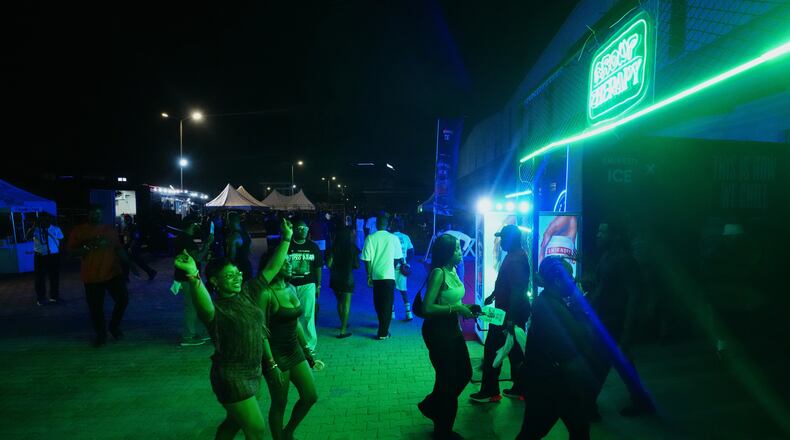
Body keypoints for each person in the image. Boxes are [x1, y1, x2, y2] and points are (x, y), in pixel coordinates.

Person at [174, 217, 292, 440]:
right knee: (256, 429)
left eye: (237, 273)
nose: (237, 277)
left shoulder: (247, 293)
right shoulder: (217, 310)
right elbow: (204, 304)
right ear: (215, 282)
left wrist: (286, 238)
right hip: (231, 377)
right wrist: (192, 275)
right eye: (229, 276)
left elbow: (272, 267)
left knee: (234, 422)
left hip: (252, 371)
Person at [517, 257, 596, 440]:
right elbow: (583, 340)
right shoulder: (548, 306)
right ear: (559, 281)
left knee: (580, 430)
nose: (575, 281)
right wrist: (580, 306)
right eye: (571, 277)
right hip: (549, 386)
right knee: (531, 433)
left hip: (561, 382)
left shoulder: (552, 301)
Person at [588, 221, 654, 418]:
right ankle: (642, 401)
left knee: (598, 365)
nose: (598, 234)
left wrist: (627, 332)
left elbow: (634, 297)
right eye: (598, 230)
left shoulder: (625, 260)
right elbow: (603, 287)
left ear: (615, 236)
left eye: (603, 231)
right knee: (618, 365)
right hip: (606, 322)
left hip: (614, 323)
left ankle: (589, 407)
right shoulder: (608, 256)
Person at [258, 239, 319, 440]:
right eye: (285, 263)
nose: (290, 265)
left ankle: (288, 433)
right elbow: (261, 332)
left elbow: (298, 323)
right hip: (275, 355)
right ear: (273, 266)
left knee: (310, 396)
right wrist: (271, 364)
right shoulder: (266, 293)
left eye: (289, 262)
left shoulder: (291, 288)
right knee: (280, 403)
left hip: (295, 350)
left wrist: (308, 350)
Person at [417, 234, 475, 439]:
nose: (461, 252)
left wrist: (465, 309)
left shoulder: (453, 270)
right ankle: (443, 430)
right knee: (447, 380)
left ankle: (433, 405)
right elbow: (427, 307)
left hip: (453, 329)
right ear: (447, 253)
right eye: (458, 249)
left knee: (465, 373)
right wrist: (456, 308)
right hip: (438, 332)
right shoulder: (438, 273)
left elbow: (453, 300)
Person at [470, 224, 532, 403]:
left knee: (491, 350)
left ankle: (490, 392)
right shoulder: (514, 256)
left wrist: (510, 320)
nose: (501, 241)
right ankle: (521, 389)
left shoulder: (516, 259)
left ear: (511, 239)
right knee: (514, 352)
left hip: (507, 315)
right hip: (509, 313)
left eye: (503, 237)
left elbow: (517, 291)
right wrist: (492, 295)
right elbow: (507, 284)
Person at [67, 204, 138, 347]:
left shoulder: (109, 230)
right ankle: (101, 334)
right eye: (94, 213)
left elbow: (118, 249)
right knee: (95, 308)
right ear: (88, 215)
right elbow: (71, 252)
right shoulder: (79, 231)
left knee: (123, 300)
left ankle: (113, 326)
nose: (97, 215)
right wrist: (89, 246)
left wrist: (130, 264)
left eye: (99, 213)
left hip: (113, 273)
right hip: (92, 276)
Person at [361, 213, 403, 340]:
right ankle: (383, 332)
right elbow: (397, 258)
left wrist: (368, 275)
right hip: (388, 275)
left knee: (378, 302)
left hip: (375, 275)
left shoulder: (370, 238)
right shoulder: (393, 238)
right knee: (388, 303)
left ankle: (382, 326)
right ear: (387, 225)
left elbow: (366, 259)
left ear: (376, 224)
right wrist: (390, 266)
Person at [285, 219, 323, 356]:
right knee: (291, 316)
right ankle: (293, 344)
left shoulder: (313, 247)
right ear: (294, 230)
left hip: (308, 285)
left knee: (308, 315)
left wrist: (318, 285)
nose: (302, 230)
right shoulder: (287, 246)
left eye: (304, 228)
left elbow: (318, 266)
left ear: (308, 230)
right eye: (299, 228)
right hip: (290, 285)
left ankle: (309, 346)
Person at [174, 219, 214, 347]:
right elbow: (197, 257)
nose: (197, 226)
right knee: (191, 307)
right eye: (195, 224)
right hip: (188, 278)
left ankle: (195, 332)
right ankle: (188, 336)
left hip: (185, 277)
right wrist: (207, 245)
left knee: (195, 305)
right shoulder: (187, 240)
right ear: (191, 225)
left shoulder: (182, 237)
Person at [327, 226, 359, 338]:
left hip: (335, 279)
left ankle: (343, 323)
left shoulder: (333, 247)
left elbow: (329, 264)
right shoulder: (353, 248)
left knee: (339, 302)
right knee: (346, 305)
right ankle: (343, 330)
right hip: (347, 279)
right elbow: (356, 265)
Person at [29, 212, 64, 305]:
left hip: (53, 256)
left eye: (46, 218)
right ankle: (41, 298)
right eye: (42, 219)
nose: (44, 221)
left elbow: (61, 240)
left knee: (54, 277)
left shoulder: (56, 229)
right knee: (40, 278)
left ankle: (54, 297)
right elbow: (27, 237)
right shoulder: (36, 229)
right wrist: (34, 225)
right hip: (40, 256)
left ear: (50, 219)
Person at [121, 214, 157, 281]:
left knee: (136, 261)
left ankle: (151, 272)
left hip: (133, 248)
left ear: (130, 220)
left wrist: (130, 247)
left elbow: (136, 238)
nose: (126, 221)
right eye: (125, 219)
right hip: (129, 247)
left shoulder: (134, 227)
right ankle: (126, 277)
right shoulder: (126, 227)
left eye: (127, 219)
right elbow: (125, 238)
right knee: (128, 262)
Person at [391, 220, 414, 320]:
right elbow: (412, 252)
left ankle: (392, 313)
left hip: (391, 266)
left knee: (391, 290)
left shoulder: (390, 237)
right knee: (403, 290)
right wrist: (405, 262)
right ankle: (408, 313)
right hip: (402, 267)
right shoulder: (406, 237)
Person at [226, 212, 253, 282]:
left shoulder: (234, 237)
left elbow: (231, 257)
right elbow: (250, 252)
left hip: (237, 269)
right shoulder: (247, 234)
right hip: (247, 266)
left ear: (229, 221)